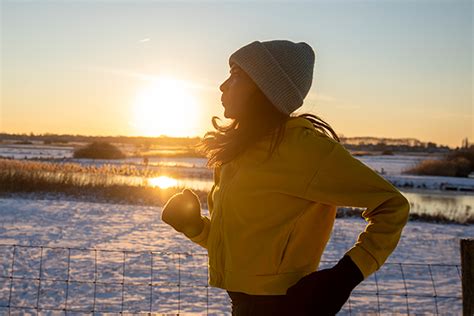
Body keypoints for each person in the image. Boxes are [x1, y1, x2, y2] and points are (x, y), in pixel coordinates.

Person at [161, 40, 410, 315]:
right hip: (242, 308)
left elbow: (393, 205)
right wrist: (195, 227)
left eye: (235, 75)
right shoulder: (239, 153)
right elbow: (249, 249)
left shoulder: (304, 149)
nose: (222, 85)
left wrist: (344, 277)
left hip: (287, 307)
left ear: (264, 87)